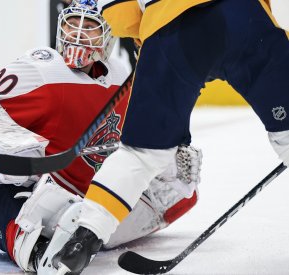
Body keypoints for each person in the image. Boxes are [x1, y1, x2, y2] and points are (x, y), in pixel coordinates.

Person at [0, 0, 202, 273]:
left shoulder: (121, 75)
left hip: (78, 197)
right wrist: (11, 148)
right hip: (10, 193)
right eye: (71, 25)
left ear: (108, 36)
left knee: (175, 195)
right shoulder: (42, 67)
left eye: (90, 26)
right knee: (43, 209)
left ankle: (83, 229)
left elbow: (145, 134)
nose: (78, 34)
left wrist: (169, 151)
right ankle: (40, 254)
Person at [40, 0, 289, 273]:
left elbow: (118, 12)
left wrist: (144, 37)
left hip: (171, 29)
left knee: (141, 154)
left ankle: (83, 238)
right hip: (245, 18)